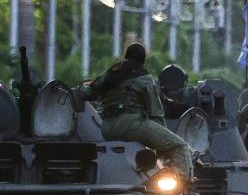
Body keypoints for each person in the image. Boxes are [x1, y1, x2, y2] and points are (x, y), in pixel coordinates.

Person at [82, 43, 193, 179]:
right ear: (143, 59)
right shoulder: (144, 77)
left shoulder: (111, 72)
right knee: (180, 147)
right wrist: (160, 145)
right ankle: (182, 188)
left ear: (126, 55)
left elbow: (88, 93)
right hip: (131, 125)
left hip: (107, 129)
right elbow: (155, 112)